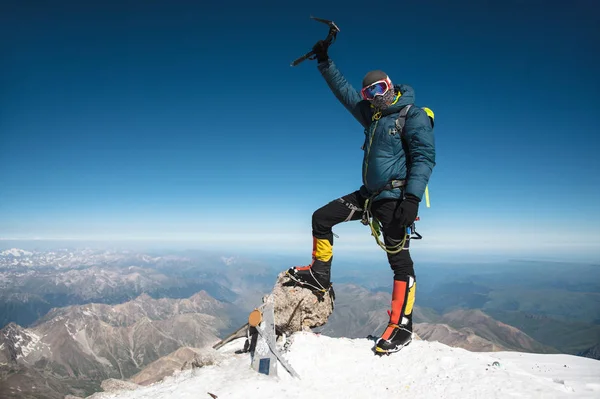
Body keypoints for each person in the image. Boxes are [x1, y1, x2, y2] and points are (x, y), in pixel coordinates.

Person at [285, 39, 436, 354]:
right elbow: (345, 93)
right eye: (369, 94)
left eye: (378, 90)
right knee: (322, 217)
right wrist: (324, 61)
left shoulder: (412, 115)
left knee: (399, 261)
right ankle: (319, 275)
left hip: (394, 198)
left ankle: (402, 326)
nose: (373, 98)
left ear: (390, 87)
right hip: (369, 196)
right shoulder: (375, 117)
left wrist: (411, 199)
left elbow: (423, 158)